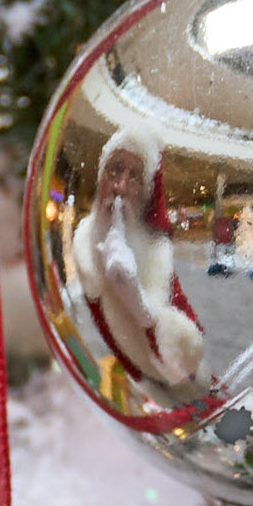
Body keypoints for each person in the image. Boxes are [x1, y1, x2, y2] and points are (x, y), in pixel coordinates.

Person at [70, 127, 206, 392]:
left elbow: (189, 358)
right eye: (114, 169)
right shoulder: (81, 245)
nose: (120, 187)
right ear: (100, 177)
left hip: (157, 391)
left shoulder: (156, 252)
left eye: (134, 177)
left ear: (142, 192)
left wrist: (141, 306)